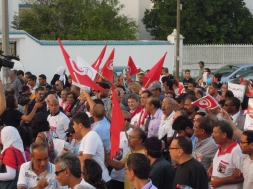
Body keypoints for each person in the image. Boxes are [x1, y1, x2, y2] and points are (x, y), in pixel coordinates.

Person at [72, 112, 111, 184]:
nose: (73, 126)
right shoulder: (86, 137)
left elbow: (86, 158)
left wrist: (70, 156)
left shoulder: (91, 136)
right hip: (93, 180)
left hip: (101, 181)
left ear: (80, 125)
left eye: (74, 124)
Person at [209, 120, 245, 189]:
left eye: (215, 132)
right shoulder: (220, 147)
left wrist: (221, 181)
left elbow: (244, 177)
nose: (212, 135)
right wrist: (211, 167)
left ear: (224, 135)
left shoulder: (236, 152)